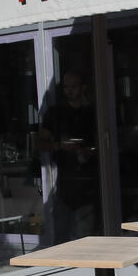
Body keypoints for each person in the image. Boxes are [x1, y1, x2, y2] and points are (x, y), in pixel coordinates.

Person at [39, 70, 100, 244]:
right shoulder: (56, 113)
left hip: (90, 184)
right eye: (66, 87)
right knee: (61, 239)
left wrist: (90, 151)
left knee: (85, 240)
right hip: (64, 185)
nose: (70, 91)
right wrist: (60, 146)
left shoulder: (93, 112)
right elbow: (41, 143)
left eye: (73, 87)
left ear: (83, 87)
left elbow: (105, 141)